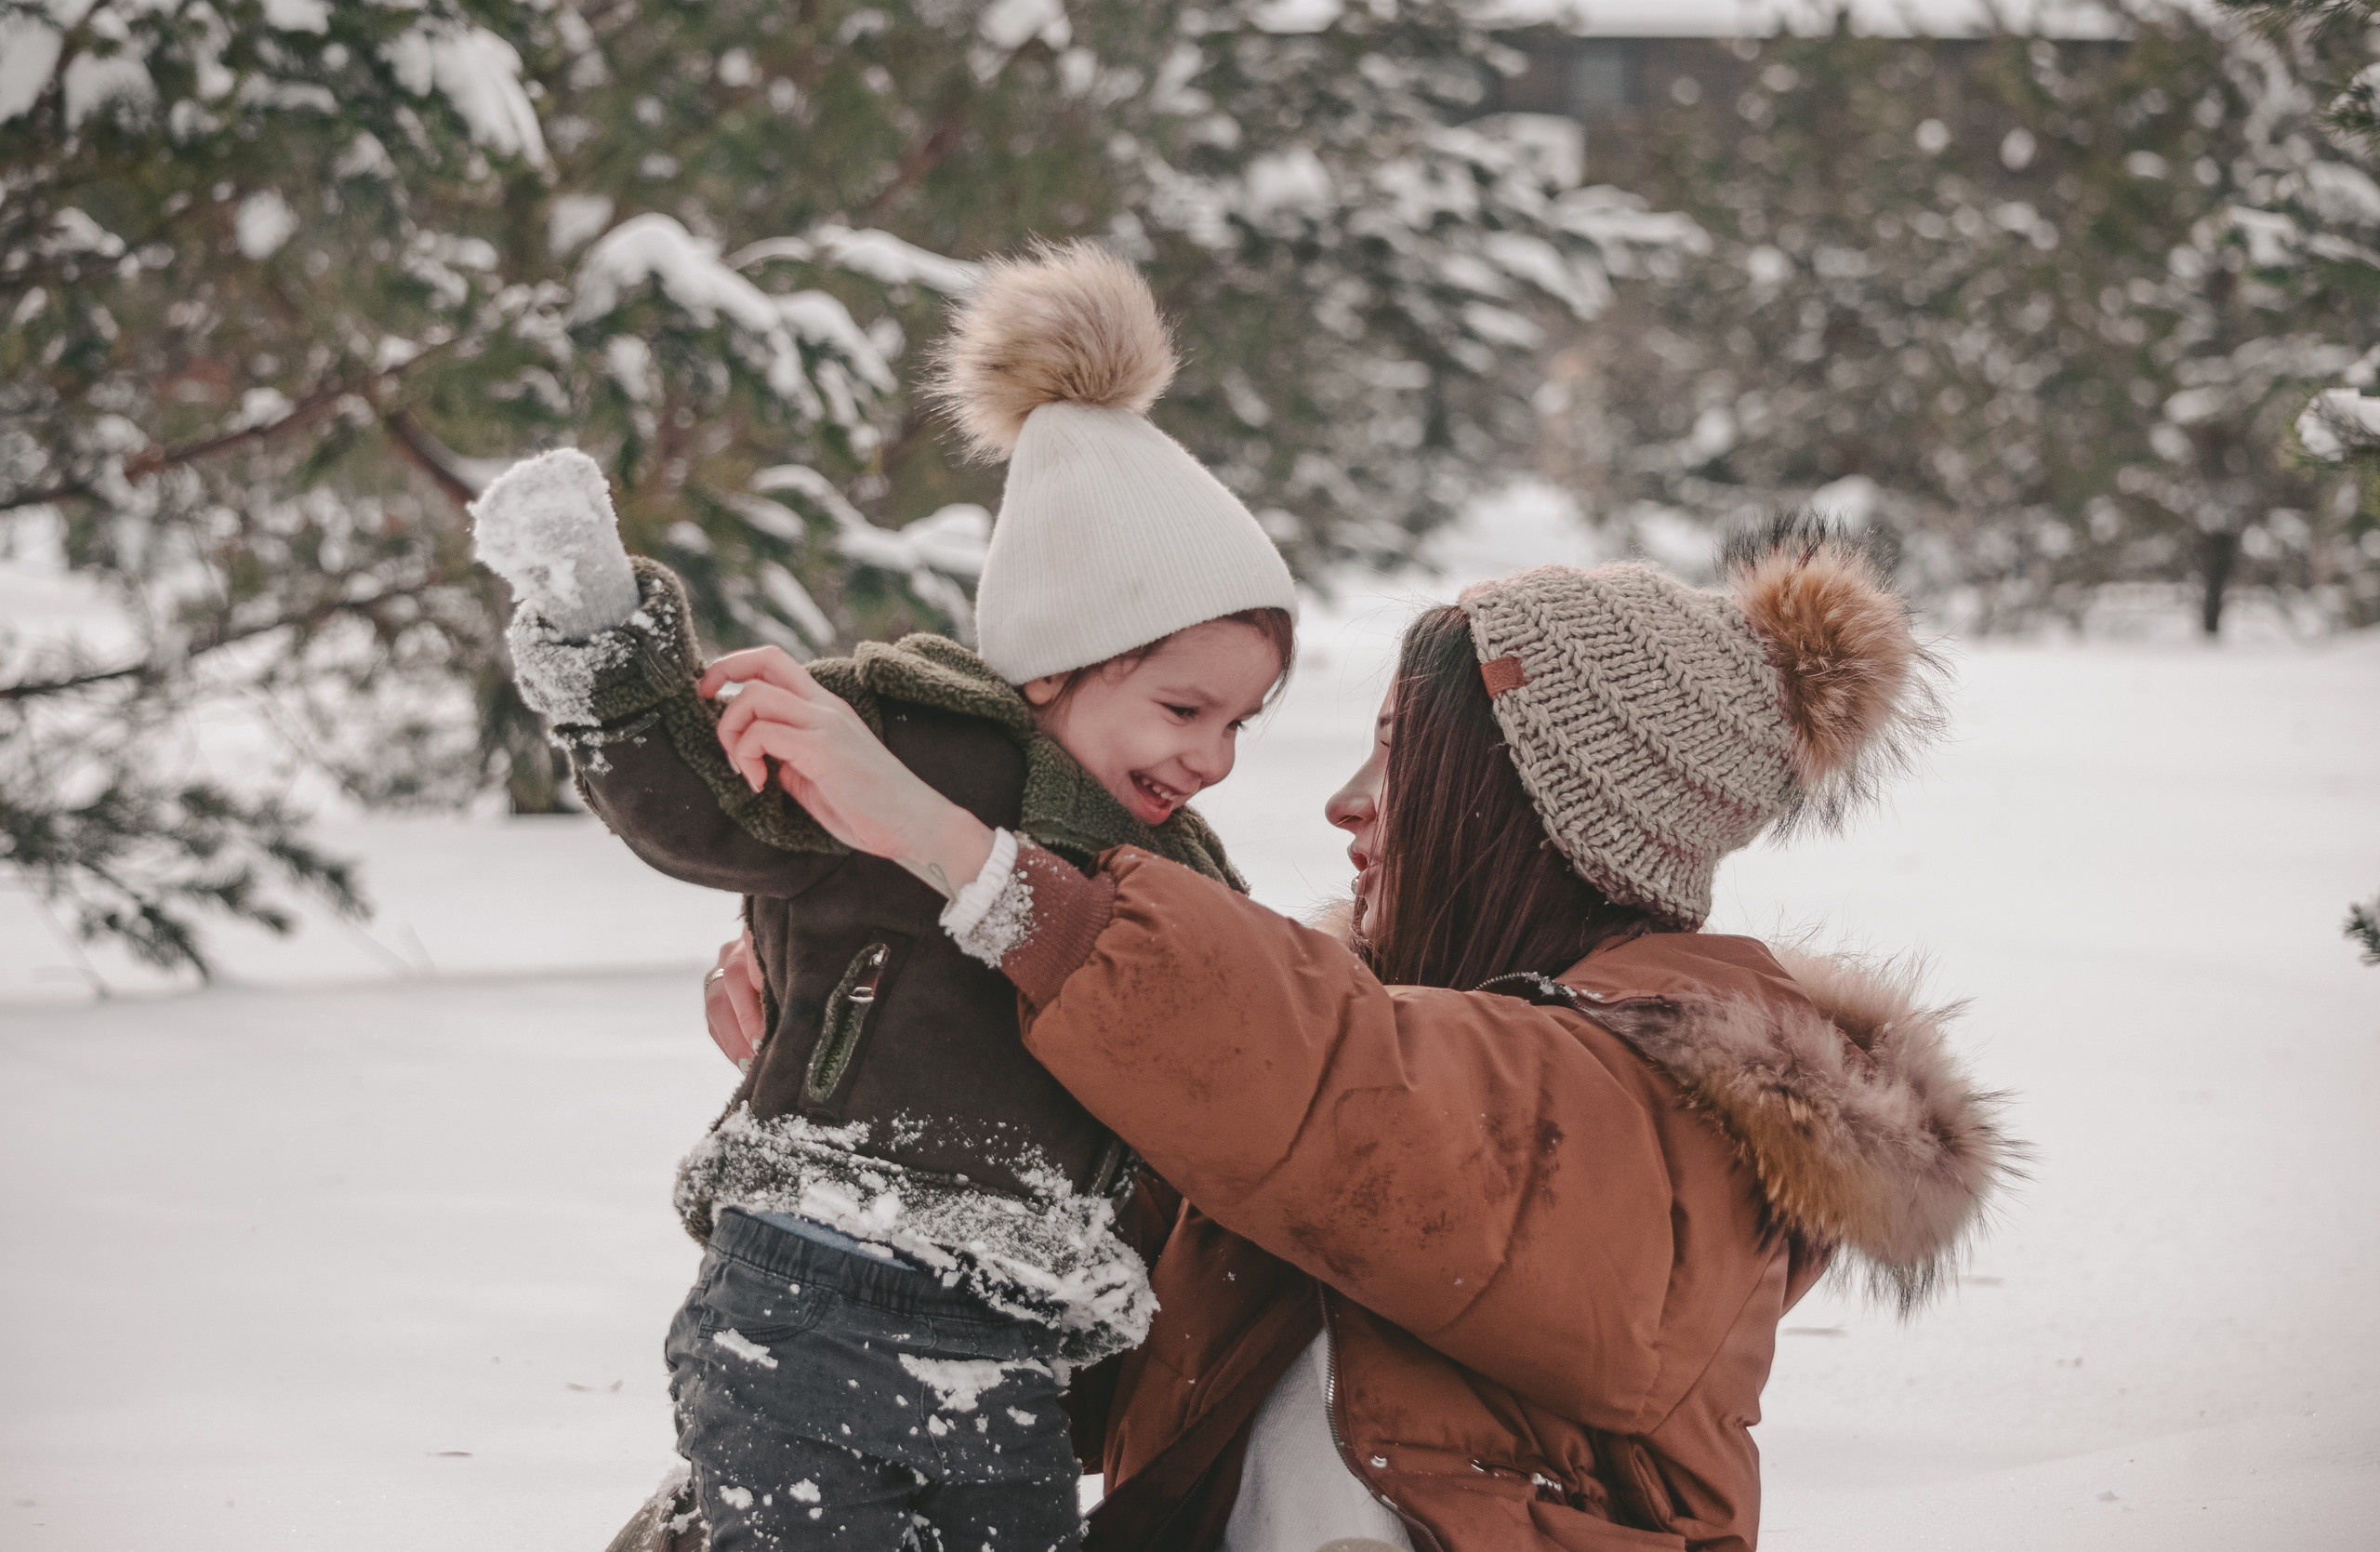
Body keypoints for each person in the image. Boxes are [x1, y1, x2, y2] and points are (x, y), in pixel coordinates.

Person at [687, 524, 2016, 1552]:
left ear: (1531, 807)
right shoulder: (1368, 1110)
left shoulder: (1661, 1121)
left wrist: (962, 855)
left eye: (1401, 759)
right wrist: (898, 1108)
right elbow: (1102, 1364)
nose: (1345, 803)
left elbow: (1345, 1087)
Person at [470, 242, 1301, 1552]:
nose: (1210, 756)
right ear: (1061, 661)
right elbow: (698, 808)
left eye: (1244, 723)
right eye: (1183, 708)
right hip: (813, 1284)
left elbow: (1229, 1032)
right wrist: (602, 629)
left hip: (1022, 1340)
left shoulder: (1177, 872)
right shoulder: (903, 740)